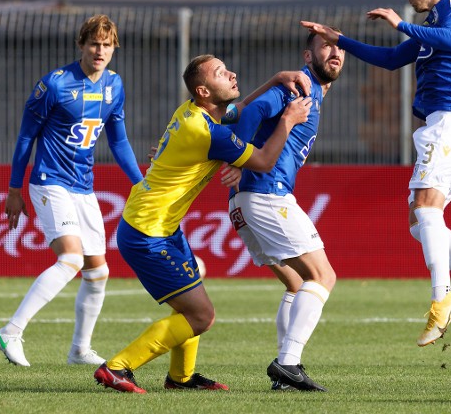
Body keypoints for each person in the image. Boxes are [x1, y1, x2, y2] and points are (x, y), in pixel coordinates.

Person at [301, 0, 451, 347]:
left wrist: (400, 24)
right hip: (442, 124)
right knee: (421, 223)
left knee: (428, 211)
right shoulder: (431, 26)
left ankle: (442, 299)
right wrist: (339, 39)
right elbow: (389, 59)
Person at [93, 55, 312, 394]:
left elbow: (242, 110)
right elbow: (265, 161)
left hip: (158, 226)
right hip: (147, 232)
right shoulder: (206, 130)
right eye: (221, 73)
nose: (232, 74)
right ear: (203, 90)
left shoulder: (194, 112)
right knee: (201, 316)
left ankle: (180, 378)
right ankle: (118, 367)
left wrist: (274, 80)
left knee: (191, 300)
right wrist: (288, 120)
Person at [0, 14, 144, 367]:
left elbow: (118, 141)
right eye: (94, 43)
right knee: (71, 259)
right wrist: (14, 189)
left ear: (114, 49)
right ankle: (11, 331)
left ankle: (79, 349)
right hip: (49, 181)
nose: (100, 50)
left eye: (107, 45)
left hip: (83, 187)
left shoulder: (114, 86)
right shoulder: (55, 85)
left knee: (98, 272)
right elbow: (26, 137)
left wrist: (141, 182)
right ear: (81, 45)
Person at [227, 29, 345, 392]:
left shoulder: (313, 93)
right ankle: (288, 364)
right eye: (325, 46)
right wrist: (240, 152)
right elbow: (255, 111)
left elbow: (242, 111)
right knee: (323, 277)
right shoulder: (300, 86)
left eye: (339, 48)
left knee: (297, 282)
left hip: (246, 202)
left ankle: (285, 377)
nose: (335, 53)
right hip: (267, 195)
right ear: (308, 57)